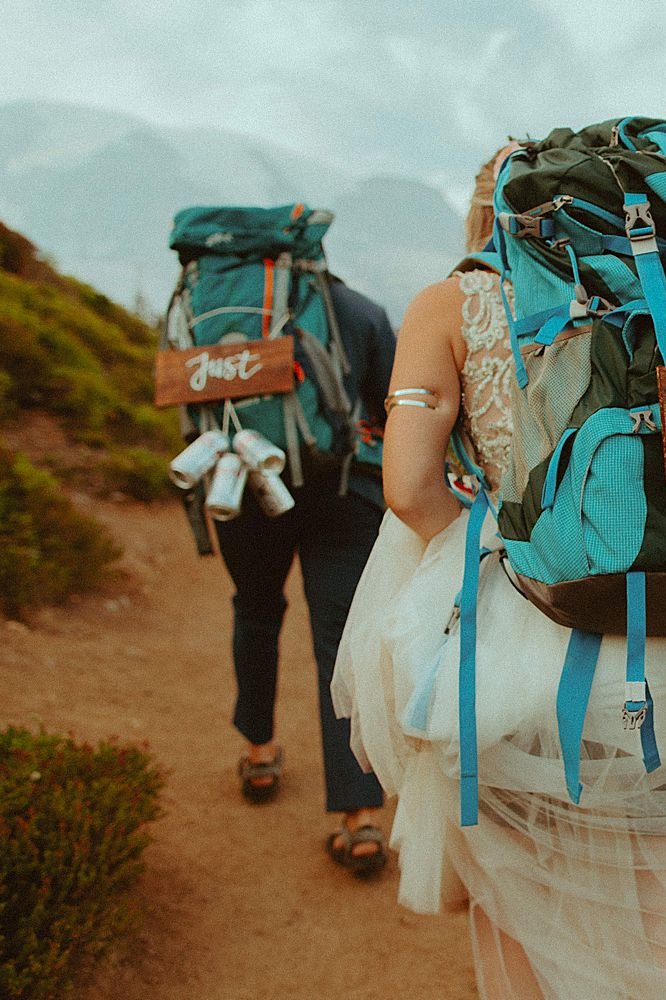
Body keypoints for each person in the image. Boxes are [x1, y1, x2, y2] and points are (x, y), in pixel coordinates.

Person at [332, 147, 666, 997]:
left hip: (530, 656)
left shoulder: (449, 303)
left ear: (490, 213)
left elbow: (408, 490)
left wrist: (508, 549)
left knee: (524, 908)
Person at [218, 273, 396, 877]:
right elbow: (393, 407)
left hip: (245, 482)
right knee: (340, 642)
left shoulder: (215, 310)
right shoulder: (361, 310)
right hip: (343, 490)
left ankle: (258, 751)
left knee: (257, 608)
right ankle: (361, 818)